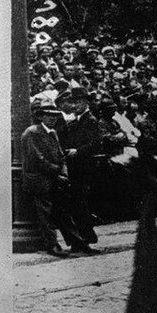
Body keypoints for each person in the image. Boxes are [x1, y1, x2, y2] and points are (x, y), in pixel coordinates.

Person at [21, 99, 92, 257]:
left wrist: (63, 173)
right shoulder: (32, 132)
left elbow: (60, 156)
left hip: (53, 177)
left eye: (54, 115)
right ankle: (52, 245)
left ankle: (77, 242)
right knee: (46, 214)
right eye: (49, 115)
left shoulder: (52, 132)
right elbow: (37, 159)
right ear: (41, 117)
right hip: (40, 180)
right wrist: (58, 173)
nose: (53, 118)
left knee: (63, 210)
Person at [58, 87, 108, 246]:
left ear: (86, 102)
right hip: (77, 166)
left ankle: (86, 236)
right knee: (77, 202)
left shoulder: (91, 120)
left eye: (77, 102)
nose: (74, 106)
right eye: (72, 102)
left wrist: (77, 151)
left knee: (80, 202)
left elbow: (95, 144)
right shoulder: (77, 121)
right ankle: (85, 236)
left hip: (84, 166)